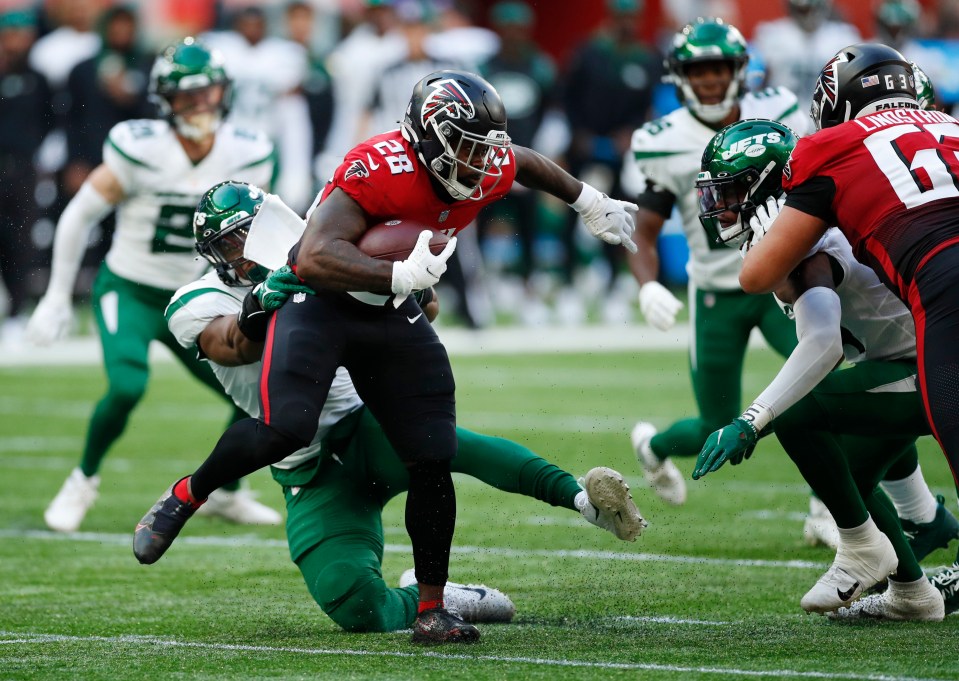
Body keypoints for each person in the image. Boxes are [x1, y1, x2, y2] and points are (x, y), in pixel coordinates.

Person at [133, 69, 639, 645]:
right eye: (232, 243)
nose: (249, 252)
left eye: (253, 234)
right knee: (354, 599)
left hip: (359, 414)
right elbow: (241, 335)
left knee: (440, 447)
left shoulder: (474, 162)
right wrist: (306, 292)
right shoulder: (199, 296)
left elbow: (516, 160)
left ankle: (460, 585)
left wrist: (587, 199)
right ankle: (187, 496)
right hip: (311, 461)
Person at [691, 118, 951, 620]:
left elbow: (824, 343)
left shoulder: (812, 240)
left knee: (798, 412)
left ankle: (862, 546)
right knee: (850, 469)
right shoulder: (808, 224)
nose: (717, 206)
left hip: (929, 364)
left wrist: (752, 419)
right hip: (907, 359)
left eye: (730, 190)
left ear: (764, 186)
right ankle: (914, 594)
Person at [26, 37, 281, 533]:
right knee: (126, 385)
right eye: (188, 94)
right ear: (166, 99)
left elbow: (265, 233)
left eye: (209, 91)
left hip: (197, 296)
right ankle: (83, 480)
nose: (201, 103)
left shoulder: (249, 151)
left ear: (224, 92)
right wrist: (57, 296)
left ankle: (228, 492)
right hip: (132, 288)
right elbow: (79, 214)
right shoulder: (141, 147)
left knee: (256, 390)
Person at [739, 43, 959, 580]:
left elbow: (757, 275)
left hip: (945, 287)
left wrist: (774, 219)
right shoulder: (950, 125)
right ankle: (914, 542)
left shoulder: (830, 146)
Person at [624, 17, 810, 515]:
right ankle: (655, 447)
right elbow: (642, 230)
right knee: (716, 424)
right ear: (680, 75)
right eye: (698, 70)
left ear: (740, 69)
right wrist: (647, 285)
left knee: (824, 388)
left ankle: (830, 511)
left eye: (718, 68)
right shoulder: (662, 140)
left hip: (784, 284)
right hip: (716, 292)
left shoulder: (781, 111)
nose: (709, 80)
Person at [753, 0, 861, 115]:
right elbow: (757, 83)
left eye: (812, 9)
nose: (809, 16)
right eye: (803, 10)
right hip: (783, 115)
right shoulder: (771, 35)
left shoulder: (844, 36)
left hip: (830, 116)